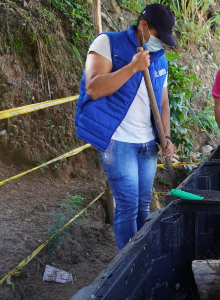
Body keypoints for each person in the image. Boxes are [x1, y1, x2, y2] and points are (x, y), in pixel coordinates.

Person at [74, 4, 176, 251]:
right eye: (158, 37)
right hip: (118, 142)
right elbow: (94, 88)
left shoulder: (159, 59)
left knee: (142, 205)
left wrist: (167, 136)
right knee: (127, 205)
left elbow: (162, 103)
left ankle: (139, 257)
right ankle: (126, 267)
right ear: (143, 26)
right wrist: (132, 68)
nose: (160, 44)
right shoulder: (106, 43)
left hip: (147, 143)